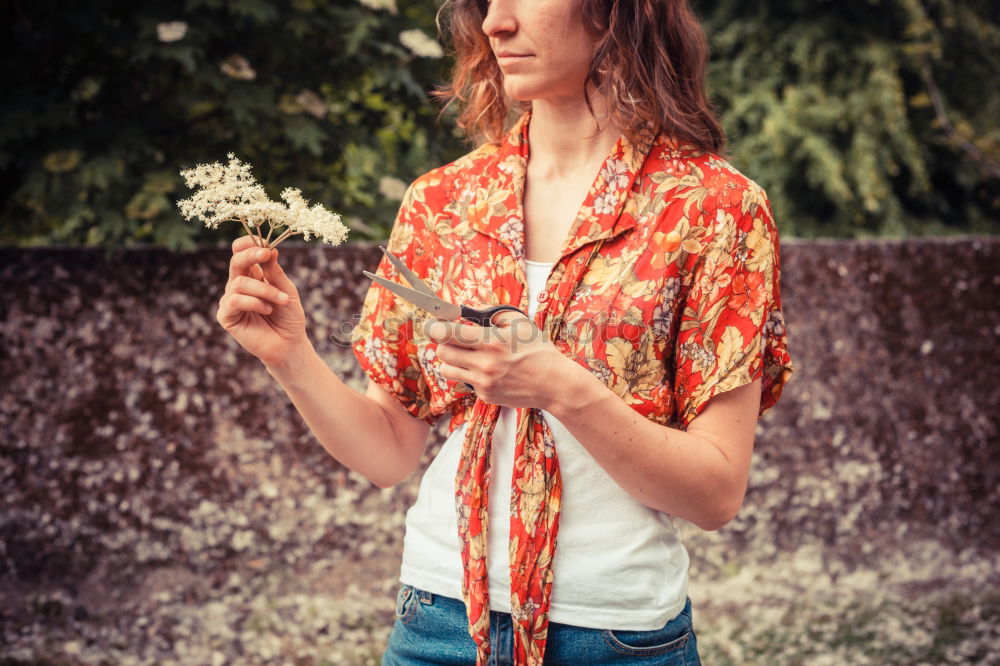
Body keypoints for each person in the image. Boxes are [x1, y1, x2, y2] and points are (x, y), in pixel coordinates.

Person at [216, 0, 795, 663]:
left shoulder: (715, 208)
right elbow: (390, 452)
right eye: (485, 4)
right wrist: (290, 355)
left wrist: (563, 389)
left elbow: (716, 493)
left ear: (613, 12)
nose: (495, 24)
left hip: (615, 638)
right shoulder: (443, 202)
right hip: (436, 624)